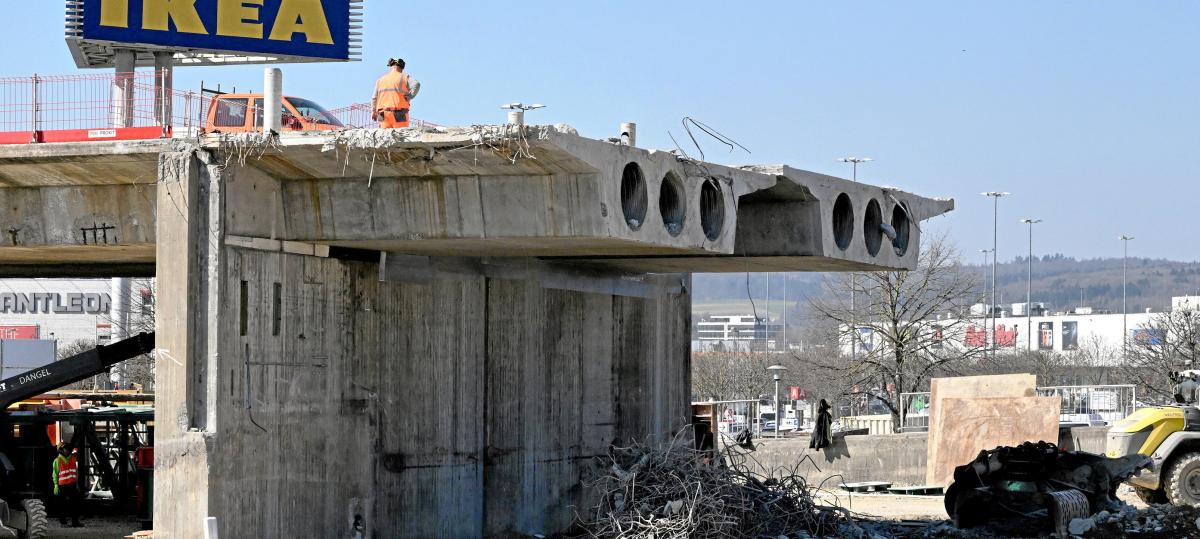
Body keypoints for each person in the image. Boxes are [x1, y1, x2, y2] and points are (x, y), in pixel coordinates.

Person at [372, 58, 421, 128]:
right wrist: (410, 96)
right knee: (399, 137)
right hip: (399, 114)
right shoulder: (404, 77)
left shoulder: (380, 80)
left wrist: (373, 111)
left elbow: (374, 98)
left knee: (385, 137)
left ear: (390, 66)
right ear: (402, 67)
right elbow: (417, 84)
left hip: (383, 114)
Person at [52, 443, 82, 527]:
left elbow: (75, 472)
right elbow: (55, 474)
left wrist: (76, 484)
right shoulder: (57, 460)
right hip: (62, 486)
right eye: (65, 449)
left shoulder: (72, 459)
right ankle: (63, 523)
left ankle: (75, 522)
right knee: (62, 505)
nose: (67, 450)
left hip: (72, 485)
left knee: (74, 504)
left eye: (68, 449)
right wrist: (56, 485)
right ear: (61, 450)